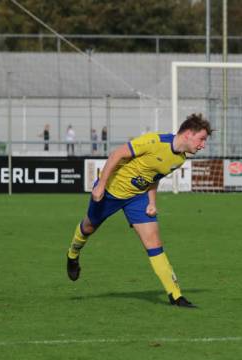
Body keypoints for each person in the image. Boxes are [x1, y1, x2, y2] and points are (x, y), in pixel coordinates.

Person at [66, 113, 212, 308]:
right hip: (110, 191)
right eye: (201, 139)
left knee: (154, 242)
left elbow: (154, 177)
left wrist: (152, 202)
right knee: (88, 227)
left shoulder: (179, 160)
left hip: (137, 198)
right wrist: (100, 185)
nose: (203, 145)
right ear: (187, 134)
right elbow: (117, 154)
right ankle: (73, 254)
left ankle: (176, 296)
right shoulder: (154, 141)